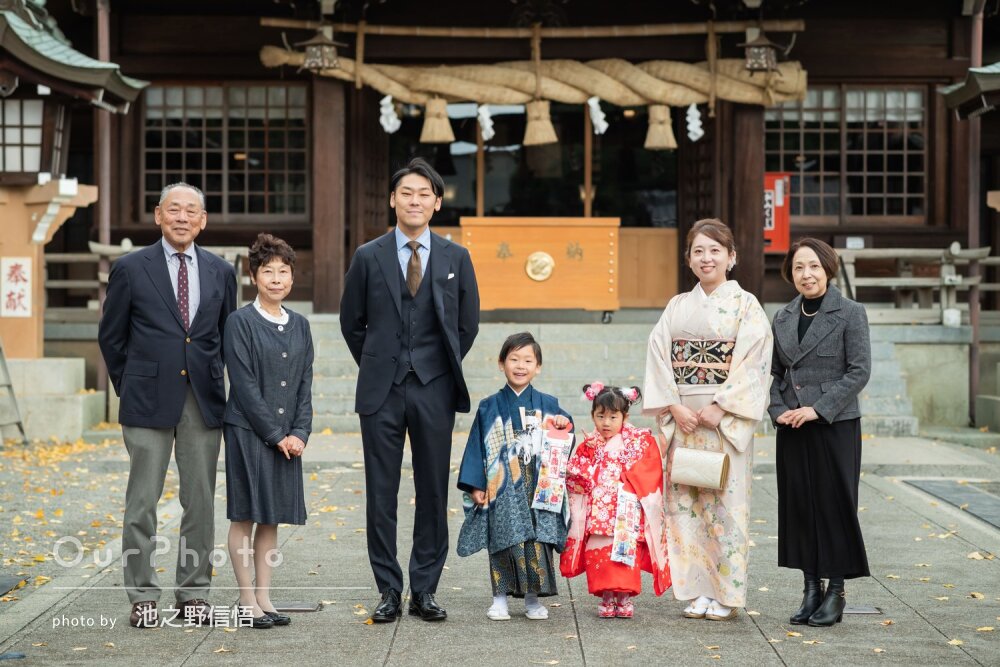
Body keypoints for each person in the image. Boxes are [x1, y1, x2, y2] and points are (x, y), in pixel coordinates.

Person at [339, 157, 480, 623]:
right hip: (381, 389)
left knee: (432, 489)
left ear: (436, 203)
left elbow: (467, 323)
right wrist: (380, 363)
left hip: (434, 388)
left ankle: (425, 589)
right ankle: (387, 589)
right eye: (407, 193)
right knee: (381, 492)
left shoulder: (456, 257)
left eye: (424, 194)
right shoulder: (368, 255)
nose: (415, 200)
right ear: (392, 199)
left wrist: (435, 366)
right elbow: (351, 322)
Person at [98, 183, 237, 628]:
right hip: (146, 400)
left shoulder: (220, 271)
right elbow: (112, 337)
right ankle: (141, 594)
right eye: (173, 209)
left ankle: (193, 592)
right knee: (142, 501)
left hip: (203, 398)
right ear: (158, 216)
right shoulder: (131, 268)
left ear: (203, 221)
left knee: (200, 500)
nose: (182, 217)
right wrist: (132, 382)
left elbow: (224, 336)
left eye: (190, 211)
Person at [643, 218, 772, 622]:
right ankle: (697, 590)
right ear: (689, 259)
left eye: (715, 250)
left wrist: (721, 406)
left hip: (722, 420)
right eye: (698, 251)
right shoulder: (677, 306)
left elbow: (755, 362)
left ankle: (727, 594)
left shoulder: (746, 306)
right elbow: (659, 356)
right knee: (685, 508)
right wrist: (674, 405)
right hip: (684, 418)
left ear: (731, 257)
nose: (706, 257)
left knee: (725, 507)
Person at [769, 238, 871, 627]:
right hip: (791, 426)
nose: (806, 274)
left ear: (827, 268)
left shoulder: (849, 312)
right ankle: (810, 588)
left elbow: (859, 371)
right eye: (798, 268)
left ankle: (836, 592)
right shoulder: (782, 317)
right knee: (799, 507)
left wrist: (817, 408)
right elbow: (775, 373)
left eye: (813, 266)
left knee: (834, 505)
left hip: (834, 425)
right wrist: (780, 411)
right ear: (790, 273)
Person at [223, 233, 313, 629]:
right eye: (268, 271)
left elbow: (305, 384)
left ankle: (265, 597)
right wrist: (277, 435)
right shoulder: (240, 322)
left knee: (271, 518)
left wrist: (300, 432)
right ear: (254, 276)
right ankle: (245, 601)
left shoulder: (301, 325)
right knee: (245, 515)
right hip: (247, 431)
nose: (276, 278)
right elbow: (242, 386)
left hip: (287, 438)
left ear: (292, 277)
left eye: (283, 271)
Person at [456, 332, 573, 621]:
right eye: (514, 359)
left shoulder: (548, 403)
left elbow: (564, 432)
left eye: (528, 360)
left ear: (538, 367)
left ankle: (533, 599)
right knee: (503, 540)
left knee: (537, 540)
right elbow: (475, 446)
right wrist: (475, 484)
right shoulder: (488, 406)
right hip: (502, 485)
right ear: (501, 363)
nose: (520, 366)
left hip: (537, 483)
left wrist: (562, 423)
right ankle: (500, 599)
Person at [560, 384, 671, 619]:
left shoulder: (638, 442)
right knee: (600, 553)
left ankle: (624, 597)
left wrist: (626, 483)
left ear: (624, 417)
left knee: (623, 553)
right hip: (598, 512)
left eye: (613, 416)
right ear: (593, 416)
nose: (606, 423)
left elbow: (648, 469)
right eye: (600, 416)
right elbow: (576, 472)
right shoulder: (589, 444)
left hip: (625, 509)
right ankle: (606, 596)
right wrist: (586, 466)